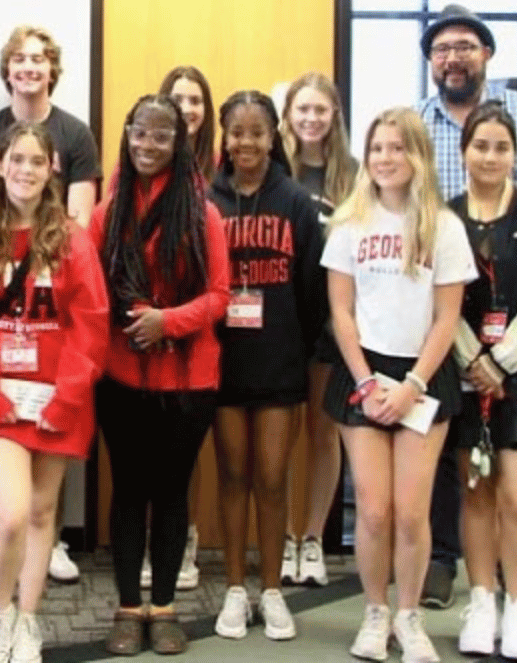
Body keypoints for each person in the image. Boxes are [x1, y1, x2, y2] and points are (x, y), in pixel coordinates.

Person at [322, 107, 475, 663]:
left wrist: (411, 386)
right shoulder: (349, 221)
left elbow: (446, 318)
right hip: (362, 372)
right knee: (374, 509)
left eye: (397, 148)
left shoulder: (444, 226)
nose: (386, 158)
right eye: (378, 148)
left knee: (412, 511)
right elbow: (340, 311)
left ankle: (409, 617)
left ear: (418, 155)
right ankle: (375, 612)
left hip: (423, 376)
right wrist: (366, 382)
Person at [415, 4, 517, 612]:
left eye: (465, 46)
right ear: (431, 59)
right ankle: (456, 567)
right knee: (463, 469)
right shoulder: (416, 122)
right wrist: (473, 353)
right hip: (452, 325)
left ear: (486, 54)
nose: (453, 57)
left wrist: (506, 356)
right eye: (442, 48)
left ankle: (516, 577)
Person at [0, 121, 109, 663]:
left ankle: (29, 620)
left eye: (36, 162)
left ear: (52, 171)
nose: (25, 170)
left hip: (58, 398)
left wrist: (65, 397)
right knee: (14, 513)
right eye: (16, 159)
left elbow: (90, 323)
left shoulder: (71, 238)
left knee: (44, 514)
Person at [0, 26, 100, 582]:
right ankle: (0, 543)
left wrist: (47, 262)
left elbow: (80, 226)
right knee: (0, 452)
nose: (29, 67)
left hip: (54, 291)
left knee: (45, 475)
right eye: (19, 57)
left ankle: (52, 542)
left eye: (39, 58)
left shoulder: (75, 134)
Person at [90, 95, 229, 657]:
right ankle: (128, 605)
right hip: (120, 375)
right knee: (127, 490)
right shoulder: (107, 212)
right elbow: (93, 290)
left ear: (181, 143)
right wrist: (132, 322)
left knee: (171, 492)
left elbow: (220, 295)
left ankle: (165, 605)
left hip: (189, 379)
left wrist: (166, 321)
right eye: (139, 134)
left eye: (161, 137)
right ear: (126, 134)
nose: (147, 146)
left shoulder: (204, 214)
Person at [208, 90, 325, 643]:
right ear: (224, 137)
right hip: (224, 362)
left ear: (273, 135)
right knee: (232, 475)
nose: (246, 143)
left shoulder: (296, 202)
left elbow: (312, 292)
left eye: (257, 132)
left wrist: (296, 350)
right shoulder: (207, 200)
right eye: (237, 132)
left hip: (279, 362)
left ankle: (273, 590)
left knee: (274, 477)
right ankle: (235, 589)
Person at [449, 103, 517, 661]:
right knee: (476, 495)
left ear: (514, 154)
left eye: (501, 147)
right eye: (480, 145)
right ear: (464, 151)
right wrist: (474, 360)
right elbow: (440, 300)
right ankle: (482, 601)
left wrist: (502, 361)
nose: (490, 156)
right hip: (465, 375)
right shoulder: (443, 219)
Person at [279, 72, 359, 586]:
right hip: (283, 325)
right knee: (283, 437)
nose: (310, 119)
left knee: (323, 434)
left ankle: (312, 539)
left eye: (320, 110)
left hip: (334, 327)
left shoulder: (353, 176)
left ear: (334, 117)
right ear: (287, 116)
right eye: (301, 110)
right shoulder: (273, 170)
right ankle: (284, 538)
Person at [154, 64, 218, 591]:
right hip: (157, 337)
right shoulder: (142, 167)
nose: (187, 108)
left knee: (191, 451)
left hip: (215, 331)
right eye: (177, 98)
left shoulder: (218, 172)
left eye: (195, 99)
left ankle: (187, 537)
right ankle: (169, 539)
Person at [160, 65, 217, 184]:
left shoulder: (220, 165)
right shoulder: (141, 160)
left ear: (206, 110)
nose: (186, 109)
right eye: (177, 101)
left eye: (195, 101)